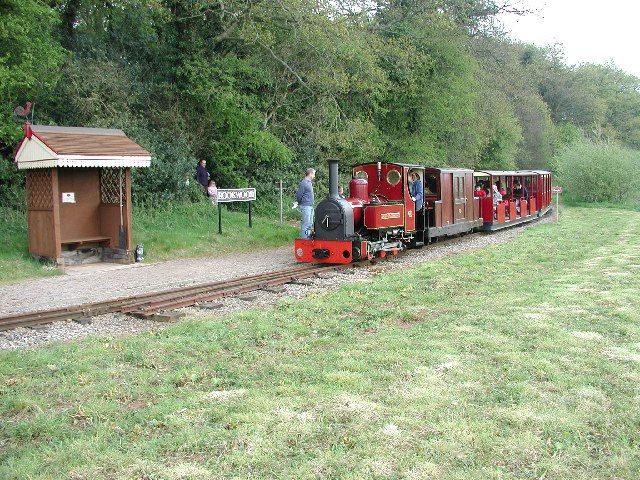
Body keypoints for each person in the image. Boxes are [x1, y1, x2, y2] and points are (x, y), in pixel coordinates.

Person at [296, 167, 316, 239]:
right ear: (310, 174)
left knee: (310, 224)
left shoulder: (309, 183)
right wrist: (300, 203)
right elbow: (299, 195)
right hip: (305, 206)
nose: (314, 176)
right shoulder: (303, 183)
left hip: (310, 206)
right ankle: (304, 239)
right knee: (306, 223)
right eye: (314, 174)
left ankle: (308, 238)